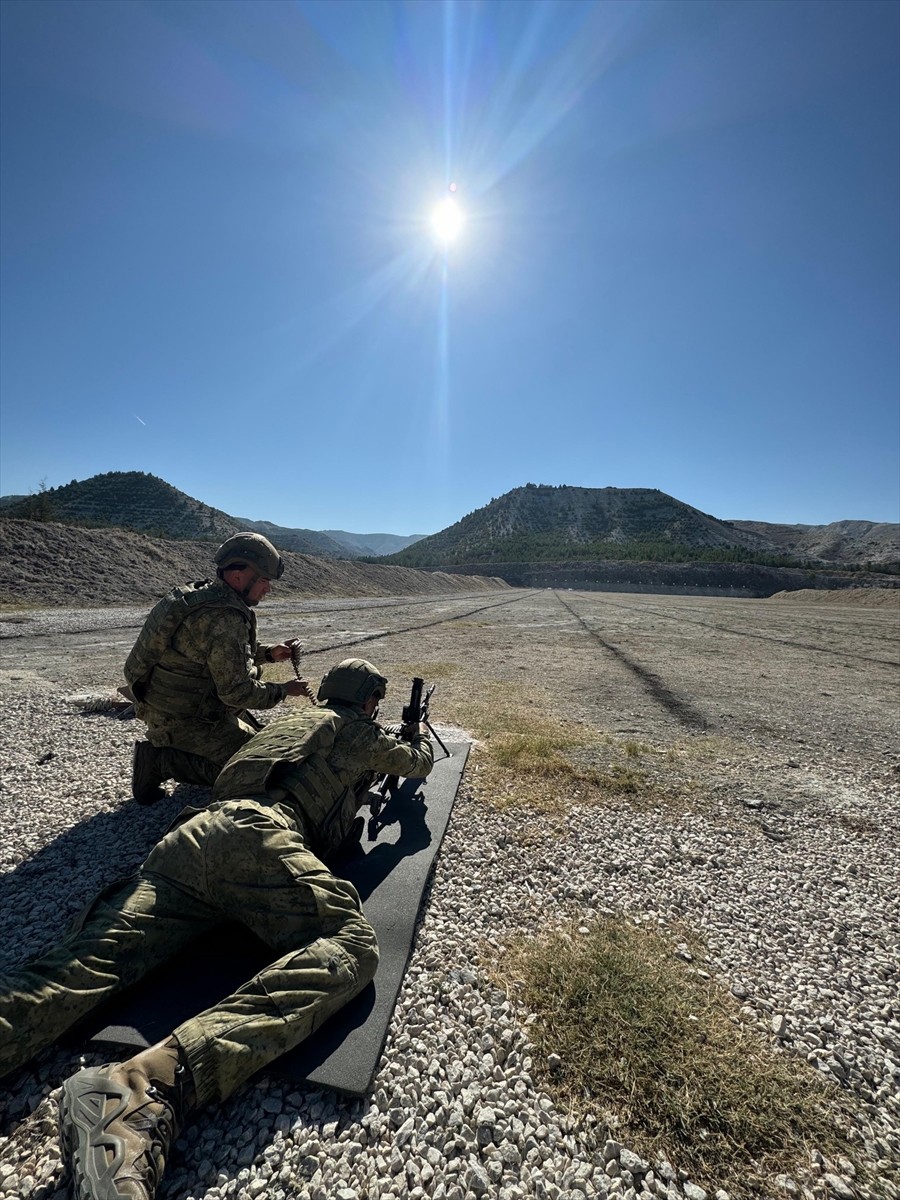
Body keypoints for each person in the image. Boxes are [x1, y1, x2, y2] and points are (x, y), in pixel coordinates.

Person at [0, 658, 434, 1200]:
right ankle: (142, 1089)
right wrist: (409, 738)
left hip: (190, 838)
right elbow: (417, 765)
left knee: (85, 964)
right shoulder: (356, 732)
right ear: (368, 701)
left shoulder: (287, 724)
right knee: (351, 948)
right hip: (260, 838)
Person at [125, 531, 313, 804]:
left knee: (262, 745)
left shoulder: (205, 596)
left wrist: (270, 654)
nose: (268, 589)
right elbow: (236, 692)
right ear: (239, 576)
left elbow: (223, 657)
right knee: (258, 772)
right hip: (184, 717)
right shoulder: (223, 618)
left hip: (176, 703)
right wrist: (284, 691)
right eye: (263, 580)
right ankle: (160, 760)